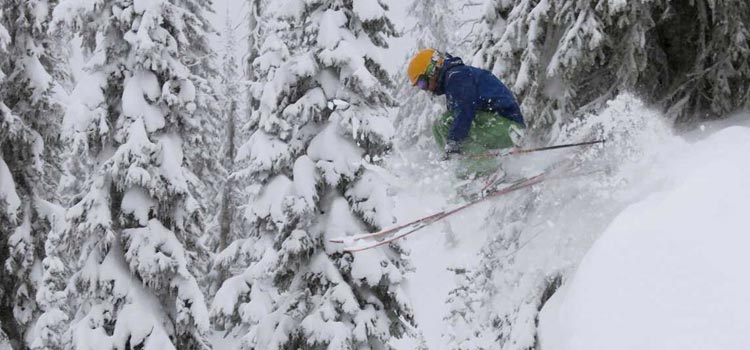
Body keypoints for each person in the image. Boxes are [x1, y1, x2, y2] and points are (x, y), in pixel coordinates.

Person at [407, 49, 525, 166]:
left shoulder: (457, 76)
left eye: (422, 83)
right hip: (499, 127)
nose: (425, 89)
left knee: (446, 123)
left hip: (511, 130)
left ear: (432, 70)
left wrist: (454, 141)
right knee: (438, 128)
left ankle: (485, 170)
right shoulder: (453, 79)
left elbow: (466, 110)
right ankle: (463, 170)